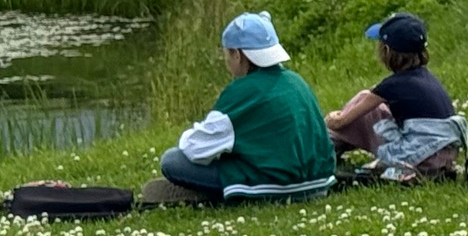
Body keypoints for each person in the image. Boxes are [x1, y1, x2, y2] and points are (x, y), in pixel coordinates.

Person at [139, 12, 337, 205]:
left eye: (227, 53)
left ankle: (214, 191)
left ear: (238, 55)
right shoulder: (297, 82)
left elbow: (194, 148)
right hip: (318, 180)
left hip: (273, 184)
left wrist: (197, 139)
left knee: (172, 160)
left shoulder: (242, 91)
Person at [325, 11, 467, 182]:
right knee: (373, 104)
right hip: (444, 156)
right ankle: (330, 146)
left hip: (421, 158)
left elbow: (341, 122)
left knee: (365, 106)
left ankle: (322, 149)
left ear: (386, 50)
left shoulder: (392, 86)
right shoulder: (424, 77)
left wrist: (333, 118)